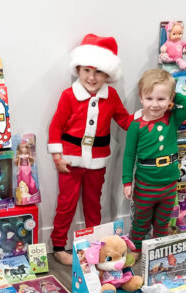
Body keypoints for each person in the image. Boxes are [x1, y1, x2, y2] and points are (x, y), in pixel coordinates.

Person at [48, 34, 131, 265]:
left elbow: (125, 120)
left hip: (98, 160)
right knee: (66, 204)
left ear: (108, 75)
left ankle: (95, 244)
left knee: (94, 203)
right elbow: (56, 126)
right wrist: (57, 157)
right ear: (78, 69)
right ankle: (58, 245)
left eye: (98, 72)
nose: (91, 77)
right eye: (86, 70)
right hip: (70, 160)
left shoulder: (111, 96)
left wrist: (146, 121)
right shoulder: (69, 96)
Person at [122, 68, 186, 253]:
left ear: (170, 99)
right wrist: (127, 181)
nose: (155, 104)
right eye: (149, 99)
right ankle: (137, 252)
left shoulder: (172, 117)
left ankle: (157, 253)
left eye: (161, 99)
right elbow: (129, 155)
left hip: (168, 184)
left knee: (162, 222)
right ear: (141, 98)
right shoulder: (136, 125)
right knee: (141, 222)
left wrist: (174, 95)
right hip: (145, 184)